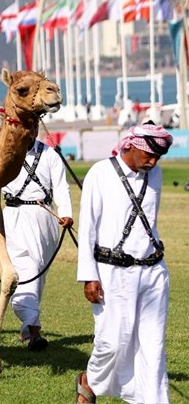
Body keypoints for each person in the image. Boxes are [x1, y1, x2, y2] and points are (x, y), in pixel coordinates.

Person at [76, 122, 171, 404]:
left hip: (153, 273)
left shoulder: (156, 174)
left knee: (153, 346)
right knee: (112, 342)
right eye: (148, 156)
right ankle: (89, 381)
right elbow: (88, 228)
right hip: (112, 273)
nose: (152, 162)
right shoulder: (101, 173)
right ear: (131, 146)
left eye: (158, 158)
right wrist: (88, 276)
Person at [2, 139, 74, 350]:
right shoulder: (6, 149)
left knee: (38, 275)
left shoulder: (50, 154)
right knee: (27, 271)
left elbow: (61, 186)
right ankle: (34, 331)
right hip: (15, 218)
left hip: (45, 219)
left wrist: (66, 213)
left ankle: (27, 328)